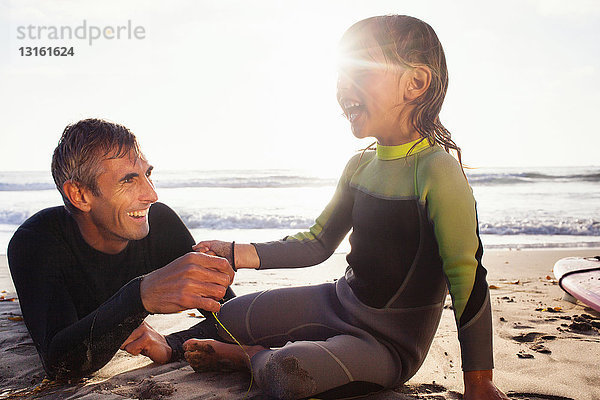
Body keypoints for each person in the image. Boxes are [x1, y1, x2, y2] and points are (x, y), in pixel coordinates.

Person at [180, 15, 509, 400]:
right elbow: (317, 243)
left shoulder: (438, 172)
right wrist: (233, 252)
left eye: (359, 71)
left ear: (416, 83)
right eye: (340, 74)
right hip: (336, 302)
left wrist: (479, 381)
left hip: (387, 345)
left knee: (291, 373)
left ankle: (250, 357)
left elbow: (467, 278)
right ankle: (169, 345)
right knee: (230, 317)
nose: (342, 87)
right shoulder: (359, 166)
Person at [7, 118, 235, 381]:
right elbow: (61, 365)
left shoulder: (160, 224)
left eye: (147, 174)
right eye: (128, 180)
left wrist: (171, 344)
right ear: (80, 195)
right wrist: (141, 296)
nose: (152, 195)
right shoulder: (35, 241)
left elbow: (235, 318)